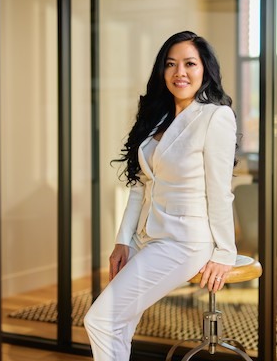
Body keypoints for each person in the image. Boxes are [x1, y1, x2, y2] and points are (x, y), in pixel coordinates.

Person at [84, 30, 237, 361]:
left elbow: (220, 191)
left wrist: (225, 251)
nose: (179, 72)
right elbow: (141, 187)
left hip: (184, 241)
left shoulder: (215, 117)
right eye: (170, 64)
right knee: (118, 323)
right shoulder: (158, 118)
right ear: (161, 71)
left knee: (100, 319)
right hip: (147, 236)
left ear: (205, 70)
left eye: (189, 64)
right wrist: (123, 241)